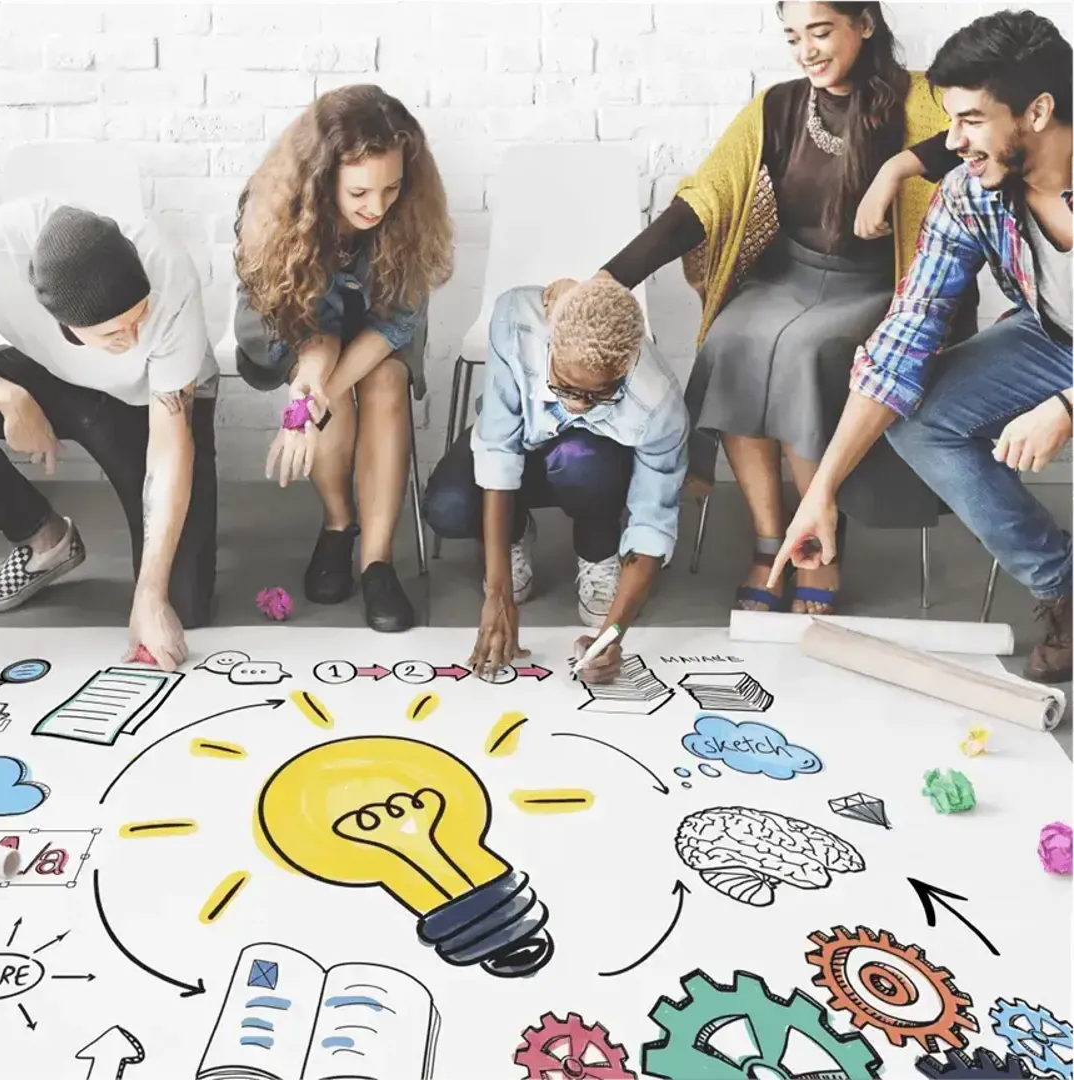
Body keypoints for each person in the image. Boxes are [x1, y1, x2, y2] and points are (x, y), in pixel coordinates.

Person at [545, 0, 969, 616]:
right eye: (794, 36)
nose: (807, 50)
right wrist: (608, 280)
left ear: (866, 24)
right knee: (729, 339)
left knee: (804, 350)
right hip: (789, 275)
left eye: (821, 31)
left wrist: (899, 167)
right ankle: (773, 541)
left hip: (883, 285)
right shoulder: (777, 106)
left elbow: (985, 135)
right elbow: (704, 201)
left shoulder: (928, 98)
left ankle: (820, 538)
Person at [773, 9, 1074, 685]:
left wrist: (1067, 406)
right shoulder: (971, 195)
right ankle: (1065, 588)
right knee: (920, 417)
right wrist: (822, 490)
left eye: (970, 119)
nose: (954, 140)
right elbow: (905, 335)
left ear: (1037, 111)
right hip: (1053, 337)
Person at [0, 197, 218, 670]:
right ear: (62, 322)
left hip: (150, 399)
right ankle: (45, 539)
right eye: (114, 333)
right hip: (49, 376)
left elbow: (170, 446)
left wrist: (149, 594)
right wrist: (9, 398)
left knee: (182, 604)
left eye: (139, 319)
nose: (132, 337)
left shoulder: (169, 272)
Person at [232, 84, 455, 633]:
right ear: (321, 177)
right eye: (359, 192)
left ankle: (376, 562)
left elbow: (398, 321)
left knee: (383, 383)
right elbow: (302, 327)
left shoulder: (409, 213)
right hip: (292, 328)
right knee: (326, 390)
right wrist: (313, 383)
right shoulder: (271, 212)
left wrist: (316, 396)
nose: (377, 207)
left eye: (392, 188)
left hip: (381, 327)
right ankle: (339, 525)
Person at [424, 277, 689, 681]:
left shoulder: (659, 403)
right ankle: (514, 534)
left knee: (581, 459)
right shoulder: (516, 322)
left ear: (629, 364)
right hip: (523, 444)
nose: (579, 406)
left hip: (592, 470)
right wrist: (498, 593)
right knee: (449, 506)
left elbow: (652, 525)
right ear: (550, 345)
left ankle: (598, 549)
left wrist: (611, 636)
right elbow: (498, 448)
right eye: (563, 386)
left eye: (600, 395)